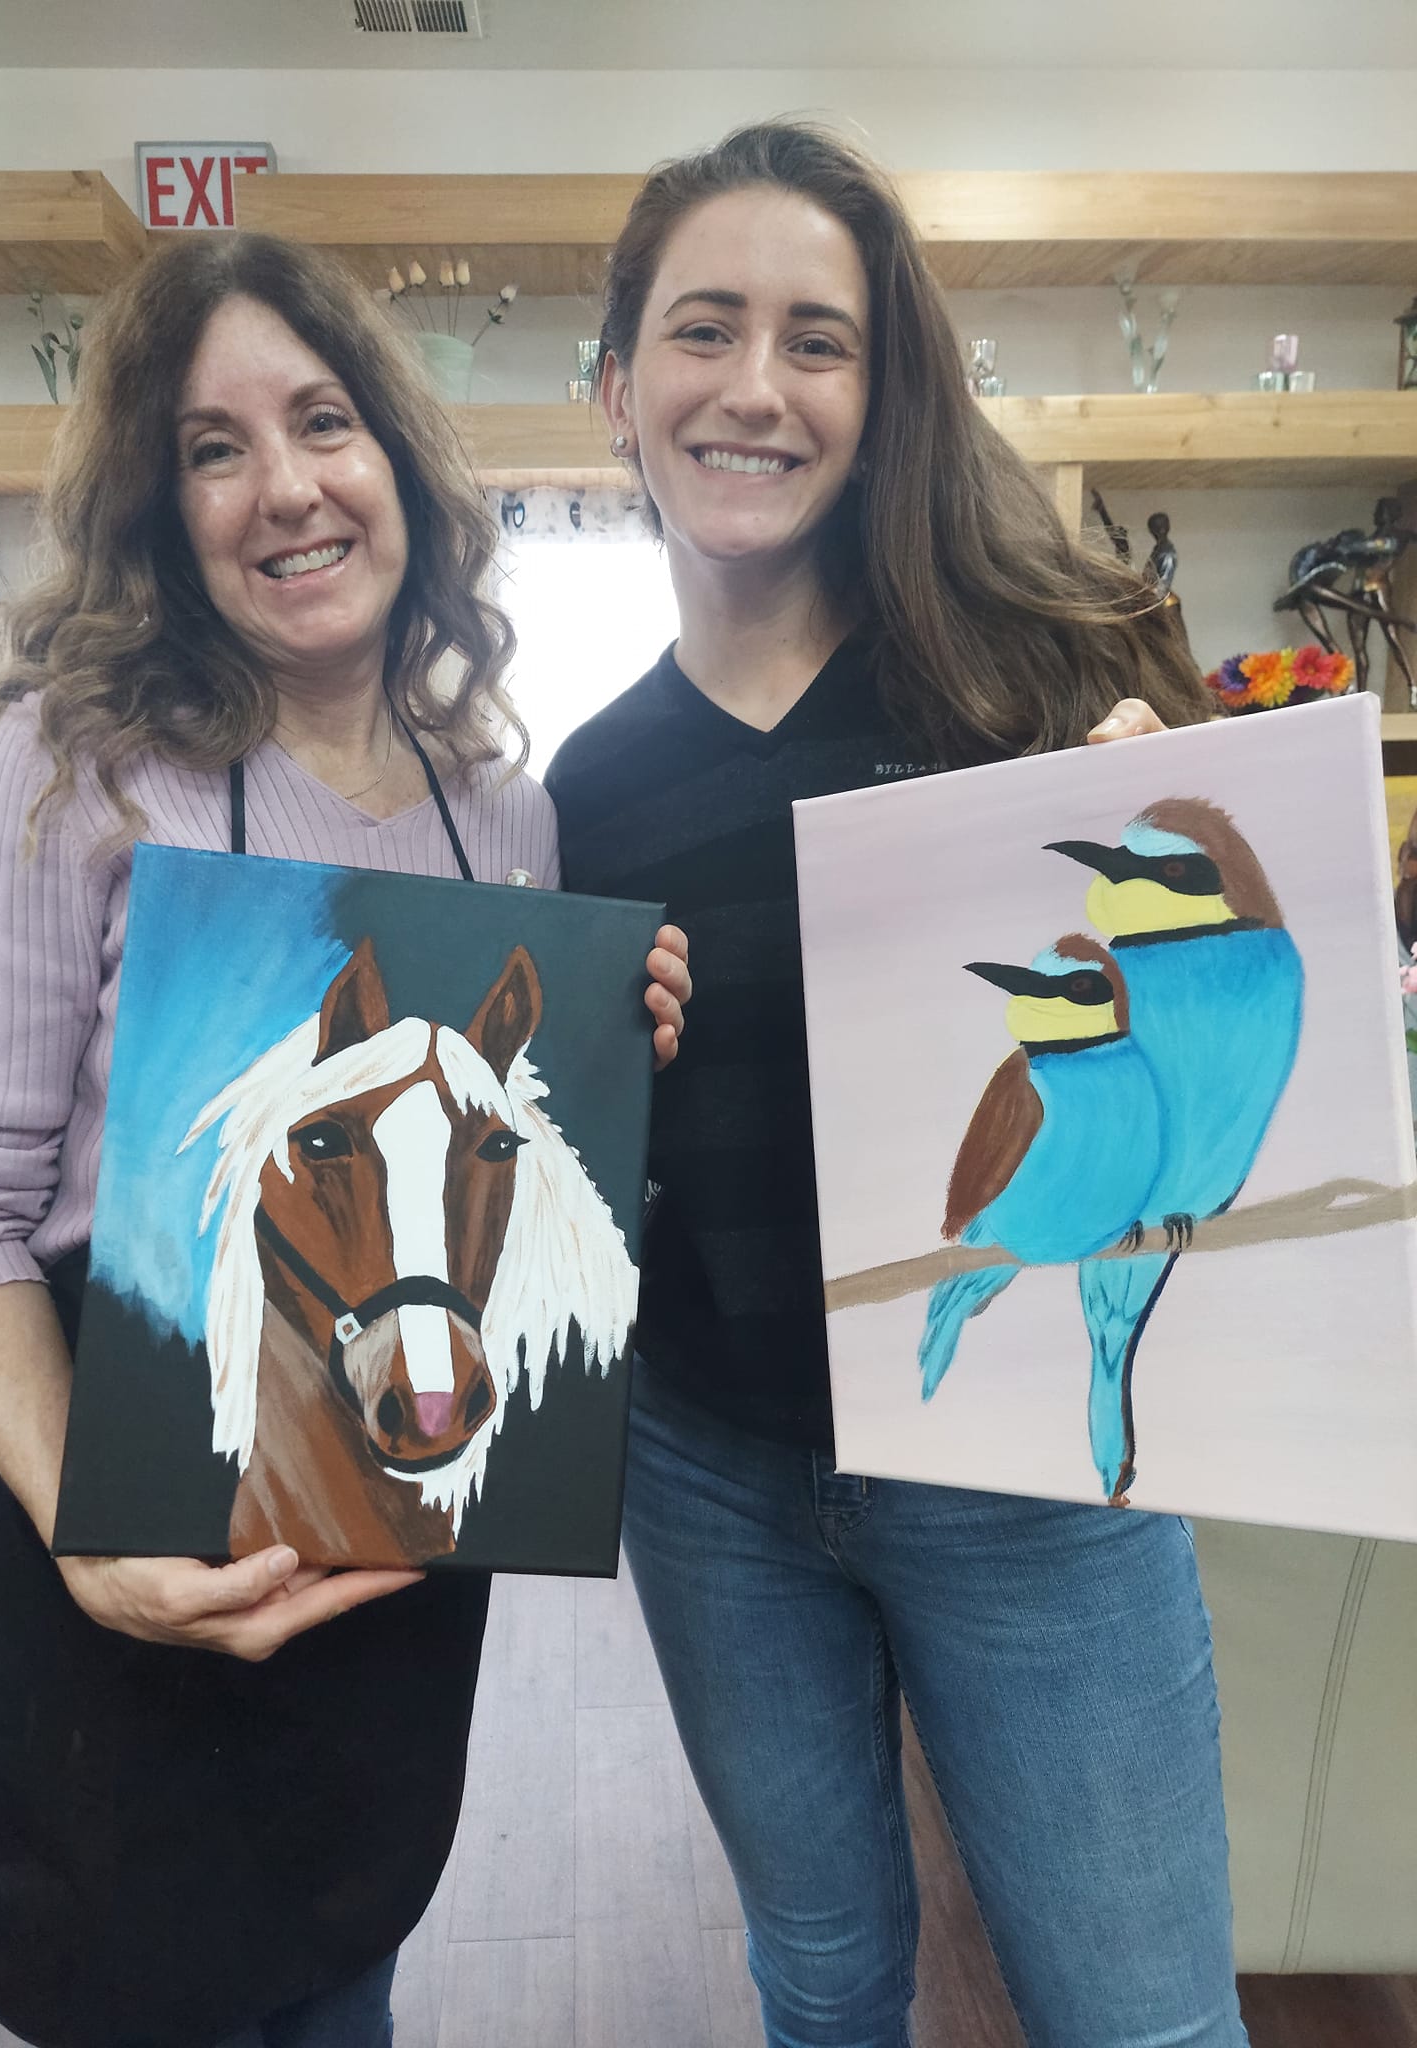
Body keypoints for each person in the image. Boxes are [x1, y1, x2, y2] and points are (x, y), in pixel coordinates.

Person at [0, 231, 688, 2048]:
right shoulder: (69, 764)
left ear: (397, 457)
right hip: (99, 1529)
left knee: (343, 1988)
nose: (285, 488)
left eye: (321, 422)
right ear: (161, 512)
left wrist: (605, 1057)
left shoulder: (508, 805)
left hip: (395, 1571)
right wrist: (99, 1535)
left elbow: (509, 1192)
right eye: (211, 446)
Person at [546, 121, 1247, 2048]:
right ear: (618, 390)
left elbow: (1235, 1023)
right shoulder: (577, 794)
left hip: (1025, 1471)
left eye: (817, 339)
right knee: (825, 1984)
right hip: (715, 1473)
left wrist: (1176, 824)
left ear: (883, 392)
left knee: (1143, 2015)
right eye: (704, 329)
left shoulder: (1034, 687)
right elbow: (583, 1186)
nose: (755, 386)